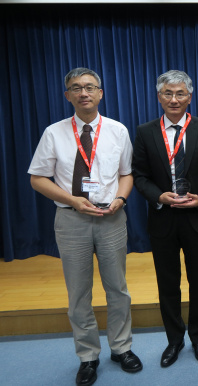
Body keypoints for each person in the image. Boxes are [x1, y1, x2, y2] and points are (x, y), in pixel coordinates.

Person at [28, 67, 142, 386]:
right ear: (68, 96)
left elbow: (127, 173)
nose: (84, 92)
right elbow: (37, 178)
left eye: (90, 87)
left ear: (101, 93)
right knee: (79, 292)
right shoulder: (54, 133)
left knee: (117, 288)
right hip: (71, 218)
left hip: (111, 217)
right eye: (76, 88)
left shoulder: (118, 130)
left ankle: (121, 348)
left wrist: (121, 198)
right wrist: (73, 200)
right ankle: (88, 356)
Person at [132, 70, 198, 368]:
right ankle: (174, 339)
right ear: (159, 97)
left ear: (190, 97)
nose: (174, 99)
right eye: (168, 94)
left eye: (180, 93)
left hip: (197, 217)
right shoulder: (145, 131)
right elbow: (140, 176)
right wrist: (159, 196)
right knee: (167, 283)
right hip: (163, 219)